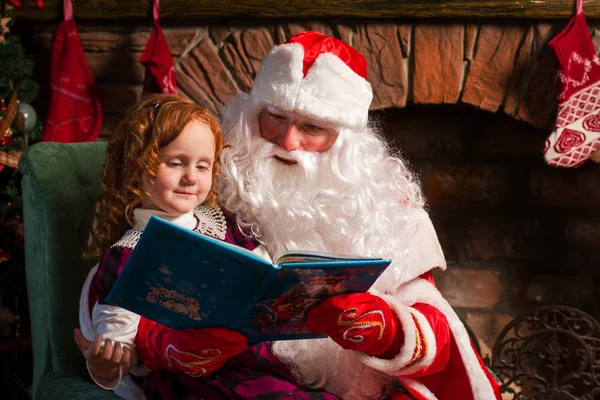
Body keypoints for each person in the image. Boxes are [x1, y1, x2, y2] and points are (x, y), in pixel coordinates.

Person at [210, 31, 500, 399]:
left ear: (345, 142)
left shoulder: (384, 207)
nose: (287, 142)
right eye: (276, 117)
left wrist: (388, 329)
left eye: (312, 127)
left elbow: (438, 336)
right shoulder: (212, 183)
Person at [75, 94, 258, 399]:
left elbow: (261, 267)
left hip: (244, 358)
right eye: (175, 163)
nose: (191, 177)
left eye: (203, 166)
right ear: (137, 166)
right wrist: (107, 365)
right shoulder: (129, 255)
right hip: (187, 379)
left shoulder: (221, 223)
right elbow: (117, 347)